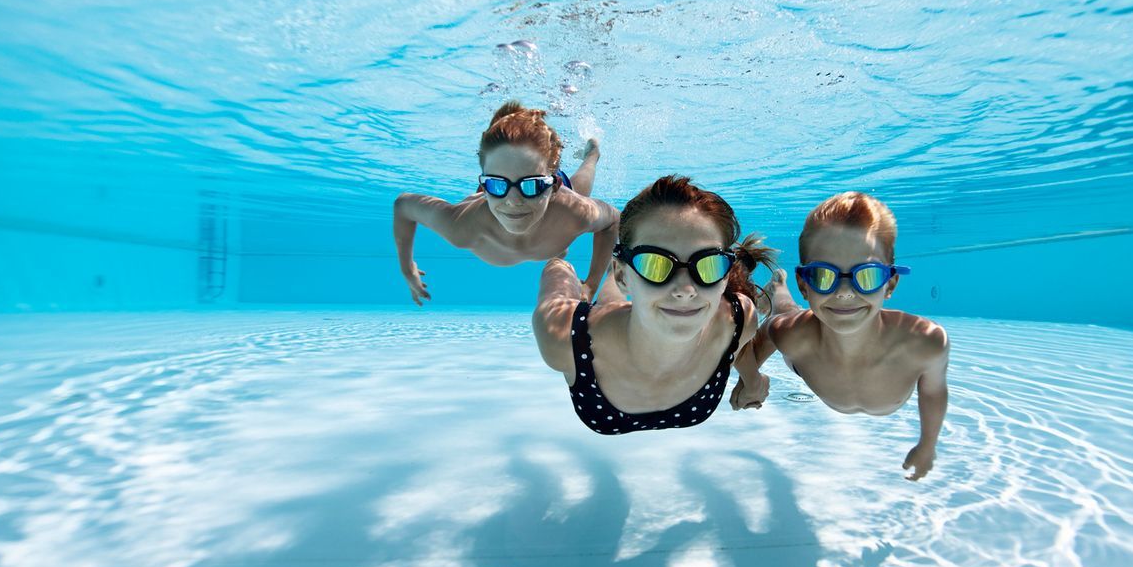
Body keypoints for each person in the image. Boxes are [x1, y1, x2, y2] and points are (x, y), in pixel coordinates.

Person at [731, 192, 950, 480]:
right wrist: (750, 381)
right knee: (783, 313)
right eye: (824, 276)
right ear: (805, 284)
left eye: (867, 275)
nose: (845, 292)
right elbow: (746, 345)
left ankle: (781, 290)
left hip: (809, 326)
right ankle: (780, 289)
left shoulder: (925, 342)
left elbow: (933, 392)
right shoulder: (791, 335)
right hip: (805, 349)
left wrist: (928, 444)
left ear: (890, 283)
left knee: (792, 312)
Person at [532, 175, 774, 434]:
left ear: (725, 277)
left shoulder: (738, 319)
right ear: (623, 275)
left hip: (626, 306)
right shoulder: (562, 337)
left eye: (708, 265)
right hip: (601, 315)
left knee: (617, 303)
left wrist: (753, 381)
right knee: (564, 272)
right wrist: (560, 266)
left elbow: (737, 349)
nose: (685, 290)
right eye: (655, 264)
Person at [392, 101, 616, 305]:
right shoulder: (460, 225)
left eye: (531, 185)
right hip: (539, 218)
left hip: (557, 208)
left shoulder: (574, 212)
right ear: (483, 186)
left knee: (581, 187)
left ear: (554, 186)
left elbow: (613, 221)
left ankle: (592, 153)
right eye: (497, 185)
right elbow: (403, 206)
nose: (513, 201)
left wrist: (591, 286)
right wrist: (406, 268)